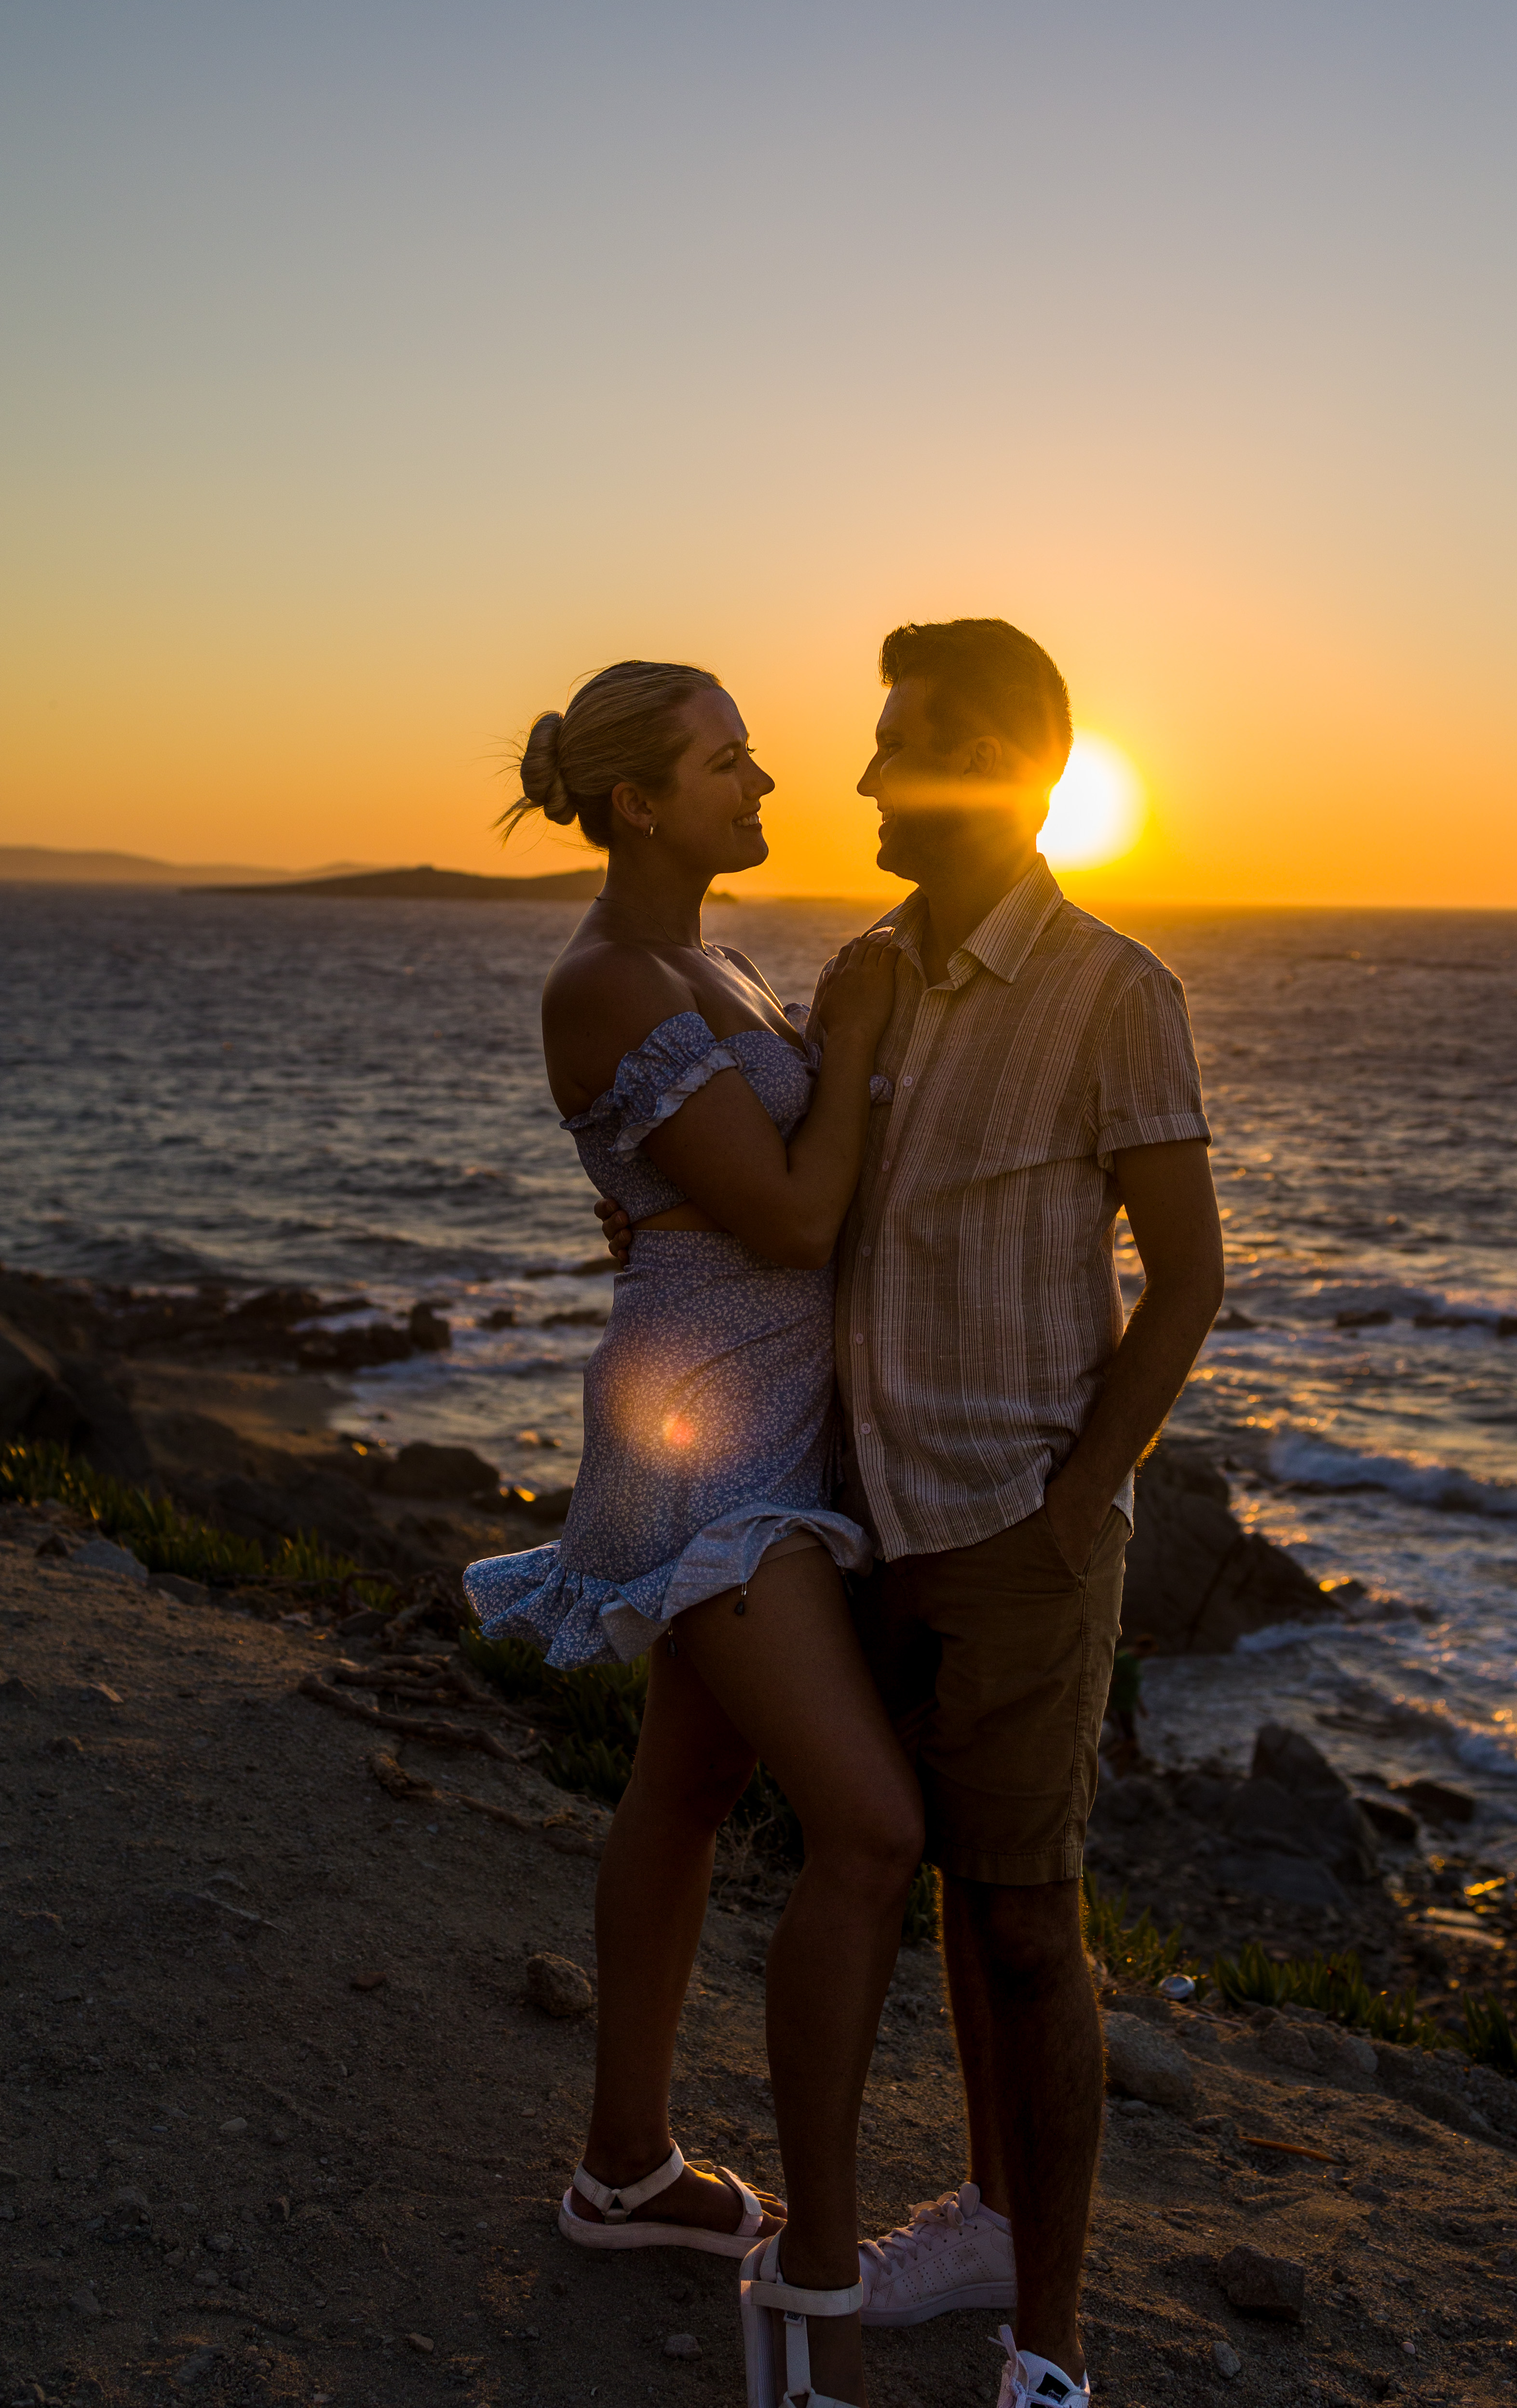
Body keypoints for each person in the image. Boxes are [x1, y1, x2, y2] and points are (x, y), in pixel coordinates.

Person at [601, 619, 1224, 2408]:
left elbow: (1184, 1277)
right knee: (938, 1891)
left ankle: (1053, 2344)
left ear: (1006, 772)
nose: (863, 777)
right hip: (863, 1518)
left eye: (899, 749)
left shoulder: (1117, 991)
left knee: (1029, 1925)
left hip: (1016, 1531)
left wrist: (1075, 1506)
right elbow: (796, 1205)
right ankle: (975, 2223)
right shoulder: (864, 972)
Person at [464, 659, 925, 2408]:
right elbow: (797, 1223)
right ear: (641, 800)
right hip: (708, 1455)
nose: (767, 779)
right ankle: (812, 2291)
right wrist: (864, 1032)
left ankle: (626, 2168)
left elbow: (726, 1196)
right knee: (870, 1831)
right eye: (728, 759)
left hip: (762, 1422)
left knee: (684, 1786)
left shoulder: (711, 962)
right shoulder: (604, 984)